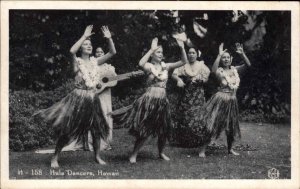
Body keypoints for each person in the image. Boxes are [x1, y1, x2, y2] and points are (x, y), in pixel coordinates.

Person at [34, 25, 116, 167]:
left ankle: (97, 156)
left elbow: (112, 52)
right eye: (86, 44)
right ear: (81, 48)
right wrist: (84, 36)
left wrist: (109, 39)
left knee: (96, 130)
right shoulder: (77, 62)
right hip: (78, 99)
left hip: (93, 99)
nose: (89, 46)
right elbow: (71, 51)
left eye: (90, 44)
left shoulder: (95, 61)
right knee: (68, 130)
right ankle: (55, 157)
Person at [122, 37, 188, 163]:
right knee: (145, 129)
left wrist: (182, 47)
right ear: (152, 54)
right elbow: (141, 64)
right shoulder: (149, 66)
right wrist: (151, 49)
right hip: (150, 99)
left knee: (164, 128)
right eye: (158, 52)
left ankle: (161, 152)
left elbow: (183, 61)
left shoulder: (166, 66)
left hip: (162, 100)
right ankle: (134, 154)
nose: (161, 54)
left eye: (161, 52)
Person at [194, 42, 251, 157]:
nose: (225, 59)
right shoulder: (220, 70)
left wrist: (243, 53)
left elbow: (248, 65)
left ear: (231, 59)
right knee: (212, 124)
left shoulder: (235, 70)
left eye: (227, 57)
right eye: (224, 58)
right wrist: (219, 55)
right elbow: (213, 70)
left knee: (231, 126)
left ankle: (230, 149)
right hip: (220, 99)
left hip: (232, 100)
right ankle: (202, 150)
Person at [170, 47, 210, 147]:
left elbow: (206, 78)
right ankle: (184, 141)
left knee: (197, 116)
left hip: (198, 95)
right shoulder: (183, 65)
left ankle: (197, 140)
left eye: (193, 53)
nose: (191, 54)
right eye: (189, 53)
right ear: (187, 54)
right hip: (186, 94)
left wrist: (202, 81)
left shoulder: (201, 65)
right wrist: (179, 80)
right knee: (185, 115)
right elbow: (173, 75)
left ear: (197, 54)